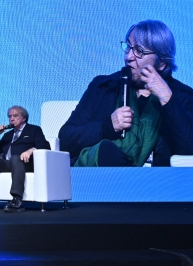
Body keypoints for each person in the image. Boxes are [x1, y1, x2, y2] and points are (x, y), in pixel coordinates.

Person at [59, 20, 193, 167]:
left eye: (139, 51)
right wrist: (106, 127)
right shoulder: (102, 87)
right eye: (128, 47)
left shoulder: (183, 96)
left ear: (161, 63)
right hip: (101, 180)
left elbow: (189, 151)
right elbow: (66, 139)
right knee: (106, 151)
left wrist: (167, 99)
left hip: (158, 183)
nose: (128, 56)